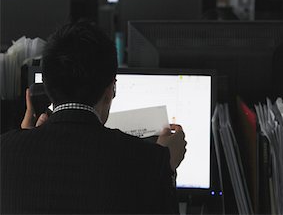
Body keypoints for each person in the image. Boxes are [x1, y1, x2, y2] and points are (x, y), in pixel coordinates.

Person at [1, 21, 187, 214]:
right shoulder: (151, 162)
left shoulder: (4, 150)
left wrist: (21, 142)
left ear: (46, 85)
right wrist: (167, 168)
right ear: (110, 90)